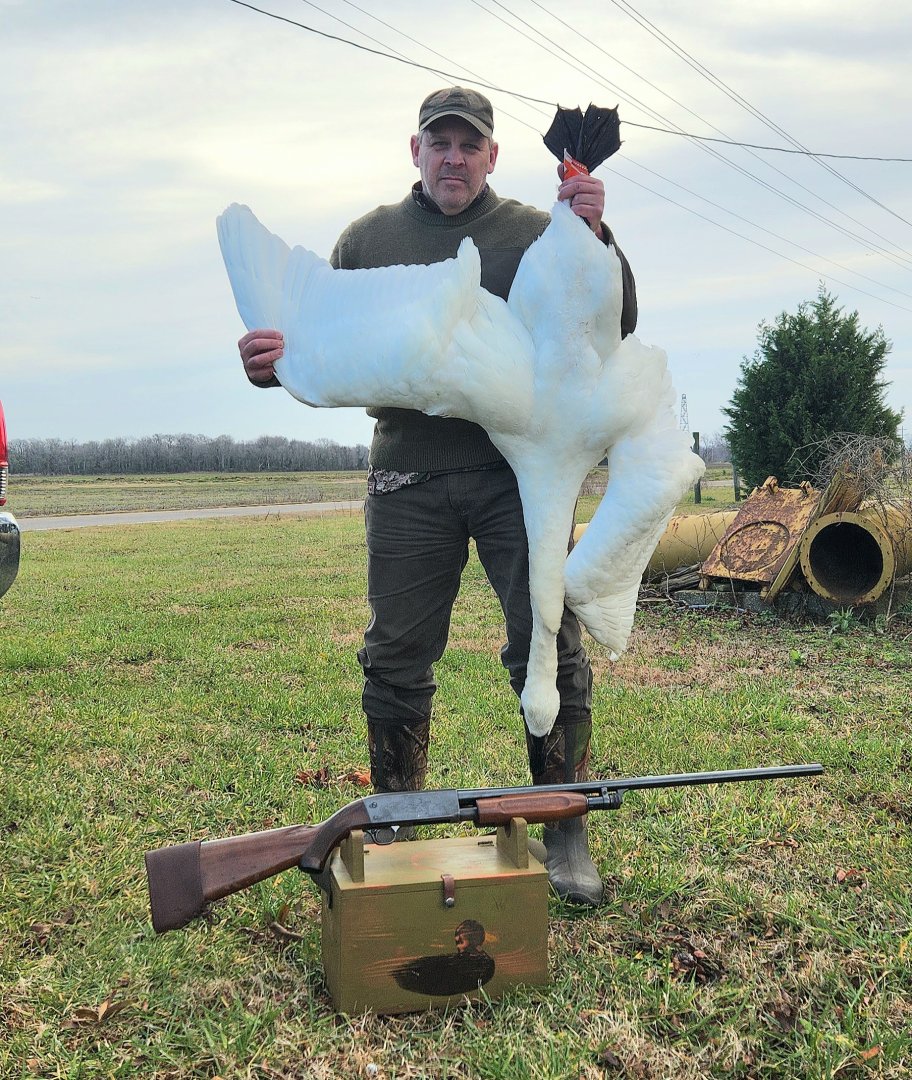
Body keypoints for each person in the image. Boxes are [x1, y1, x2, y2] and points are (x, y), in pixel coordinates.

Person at [238, 87, 637, 906]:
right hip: (406, 474)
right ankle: (393, 829)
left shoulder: (534, 229)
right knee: (394, 657)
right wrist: (273, 364)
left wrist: (597, 233)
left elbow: (618, 316)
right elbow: (323, 349)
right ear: (413, 150)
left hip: (514, 472)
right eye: (439, 142)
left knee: (546, 643)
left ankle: (564, 830)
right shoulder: (367, 240)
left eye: (470, 144)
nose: (454, 157)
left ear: (493, 155)